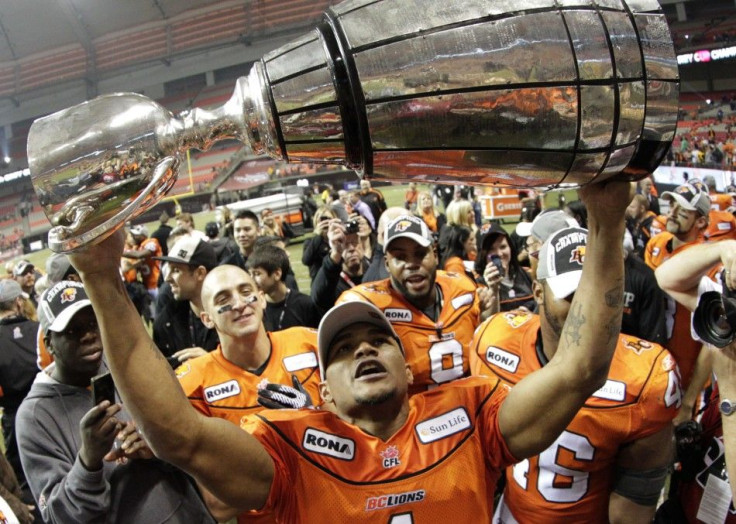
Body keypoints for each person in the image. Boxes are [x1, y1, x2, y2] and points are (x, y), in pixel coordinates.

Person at [65, 179, 629, 522]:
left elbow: (580, 368)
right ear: (324, 394)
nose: (364, 349)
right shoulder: (288, 455)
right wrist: (100, 279)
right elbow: (178, 435)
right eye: (342, 348)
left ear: (407, 371)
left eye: (378, 338)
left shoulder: (470, 417)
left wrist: (605, 217)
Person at [471, 226, 679, 523]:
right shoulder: (495, 340)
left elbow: (631, 511)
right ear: (538, 293)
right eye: (573, 295)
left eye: (599, 293)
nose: (589, 307)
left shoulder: (645, 377)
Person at [16, 281, 213, 523]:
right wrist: (88, 461)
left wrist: (156, 444)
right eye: (73, 331)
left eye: (92, 323)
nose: (88, 336)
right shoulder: (34, 416)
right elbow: (58, 517)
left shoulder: (124, 362)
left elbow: (193, 443)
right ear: (49, 344)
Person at [335, 214, 494, 395]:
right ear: (387, 264)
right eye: (400, 257)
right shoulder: (365, 304)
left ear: (435, 255)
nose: (411, 264)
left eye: (420, 254)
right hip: (409, 418)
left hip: (469, 408)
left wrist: (487, 318)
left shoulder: (462, 288)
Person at [654, 238, 736, 520]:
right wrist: (723, 249)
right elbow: (667, 278)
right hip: (696, 504)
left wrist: (730, 394)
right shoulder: (732, 324)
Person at [645, 183, 710, 391]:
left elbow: (714, 341)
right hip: (650, 357)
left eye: (682, 210)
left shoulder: (706, 262)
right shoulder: (656, 243)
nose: (671, 213)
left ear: (700, 221)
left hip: (684, 370)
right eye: (672, 205)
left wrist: (691, 398)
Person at [0, 279, 40, 508]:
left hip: (13, 420)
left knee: (25, 483)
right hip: (46, 409)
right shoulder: (38, 330)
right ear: (17, 302)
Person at [152, 236, 220, 362]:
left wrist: (213, 364)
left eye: (176, 270)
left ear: (200, 273)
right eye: (168, 269)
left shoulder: (232, 314)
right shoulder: (167, 320)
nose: (167, 278)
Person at [247, 244, 321, 330]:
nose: (251, 280)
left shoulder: (305, 304)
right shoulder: (254, 306)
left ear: (277, 274)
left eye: (257, 274)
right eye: (250, 274)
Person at [310, 217, 371, 310]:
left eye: (354, 242)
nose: (351, 248)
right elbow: (318, 298)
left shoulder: (371, 268)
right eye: (345, 244)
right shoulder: (334, 282)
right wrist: (335, 254)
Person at [475, 223, 535, 312]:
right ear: (482, 254)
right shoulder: (477, 284)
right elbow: (486, 320)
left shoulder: (529, 274)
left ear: (510, 248)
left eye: (503, 247)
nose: (499, 253)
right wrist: (493, 289)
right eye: (491, 249)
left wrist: (529, 312)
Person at [123, 224, 162, 303]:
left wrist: (119, 252)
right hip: (147, 285)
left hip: (157, 284)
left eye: (136, 235)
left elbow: (139, 255)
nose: (134, 237)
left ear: (143, 235)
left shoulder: (152, 241)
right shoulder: (138, 246)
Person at [301, 207, 335, 282]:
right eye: (322, 219)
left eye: (328, 218)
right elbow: (306, 260)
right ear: (316, 222)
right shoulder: (310, 241)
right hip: (320, 281)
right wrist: (318, 236)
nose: (325, 222)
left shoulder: (338, 237)